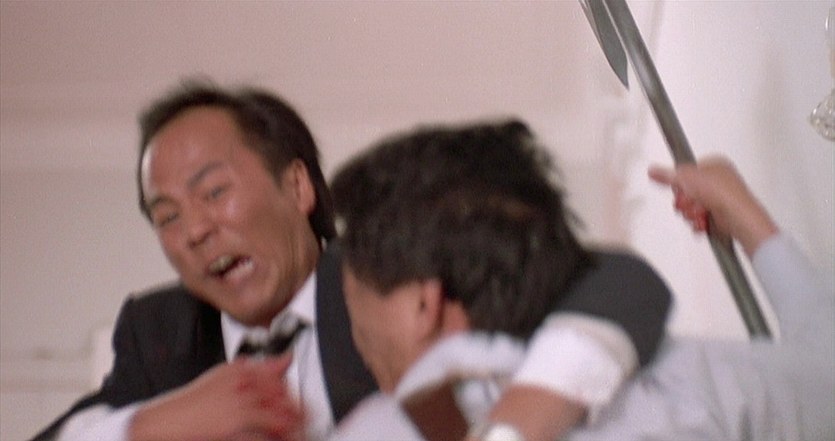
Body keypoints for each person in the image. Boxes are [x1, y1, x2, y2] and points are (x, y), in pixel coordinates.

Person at [29, 82, 671, 441]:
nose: (194, 230)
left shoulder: (387, 277)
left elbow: (616, 284)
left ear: (297, 187)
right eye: (166, 215)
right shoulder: (158, 337)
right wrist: (153, 425)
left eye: (214, 192)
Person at [325, 120, 834, 441]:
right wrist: (747, 218)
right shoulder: (684, 384)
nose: (355, 334)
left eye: (353, 295)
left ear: (422, 304)